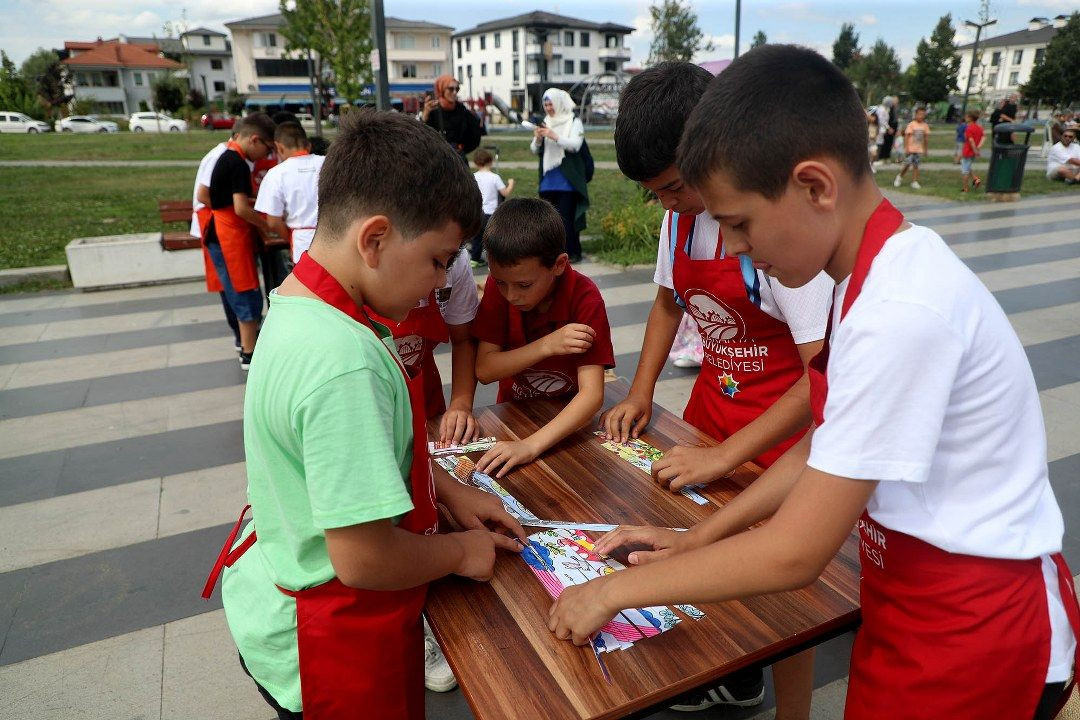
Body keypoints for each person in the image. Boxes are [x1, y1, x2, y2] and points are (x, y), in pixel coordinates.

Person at [548, 44, 1079, 720]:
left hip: (977, 629)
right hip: (910, 601)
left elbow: (795, 553)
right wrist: (693, 540)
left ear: (815, 186)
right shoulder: (861, 276)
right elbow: (822, 447)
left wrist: (611, 594)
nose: (735, 248)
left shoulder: (900, 311)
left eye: (739, 222)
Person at [205, 109, 526, 720]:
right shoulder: (343, 363)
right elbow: (365, 558)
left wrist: (449, 491)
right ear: (375, 239)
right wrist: (462, 553)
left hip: (280, 601)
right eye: (438, 260)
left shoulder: (301, 302)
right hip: (331, 649)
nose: (437, 285)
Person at [604, 60, 833, 717]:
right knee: (697, 544)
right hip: (713, 407)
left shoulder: (773, 231)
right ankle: (734, 671)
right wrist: (642, 391)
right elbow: (668, 305)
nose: (666, 204)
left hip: (781, 428)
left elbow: (823, 381)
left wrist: (728, 457)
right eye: (656, 194)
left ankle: (792, 707)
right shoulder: (679, 221)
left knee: (785, 587)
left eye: (674, 186)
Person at [470, 197, 614, 478]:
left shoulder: (584, 296)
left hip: (568, 424)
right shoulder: (499, 290)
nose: (511, 296)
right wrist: (547, 345)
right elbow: (485, 370)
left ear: (559, 264)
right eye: (500, 282)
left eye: (524, 285)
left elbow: (592, 394)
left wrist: (530, 447)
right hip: (514, 417)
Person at [205, 112, 276, 370]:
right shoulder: (236, 162)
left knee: (242, 289)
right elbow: (240, 208)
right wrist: (267, 225)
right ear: (254, 140)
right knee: (244, 291)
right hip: (228, 236)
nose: (265, 157)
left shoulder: (228, 156)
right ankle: (249, 352)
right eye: (266, 150)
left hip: (223, 233)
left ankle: (246, 347)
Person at [191, 132, 240, 352]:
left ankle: (243, 334)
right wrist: (230, 212)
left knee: (230, 282)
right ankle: (241, 335)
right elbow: (203, 195)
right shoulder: (222, 156)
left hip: (219, 224)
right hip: (215, 226)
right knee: (230, 283)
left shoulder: (227, 153)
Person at [254, 121, 325, 264]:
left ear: (279, 147)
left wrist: (290, 236)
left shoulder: (276, 174)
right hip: (335, 237)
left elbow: (273, 222)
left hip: (302, 241)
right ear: (308, 145)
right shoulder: (329, 163)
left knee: (308, 284)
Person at [531, 88, 588, 263]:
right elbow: (534, 150)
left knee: (567, 220)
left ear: (559, 103)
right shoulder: (546, 121)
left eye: (551, 104)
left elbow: (575, 145)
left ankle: (572, 252)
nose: (548, 108)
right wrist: (538, 139)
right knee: (549, 221)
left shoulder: (573, 121)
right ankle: (553, 255)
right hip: (548, 180)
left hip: (567, 180)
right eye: (545, 104)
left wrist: (554, 135)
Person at [470, 148, 515, 266]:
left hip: (478, 212)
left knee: (477, 237)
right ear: (491, 162)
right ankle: (494, 260)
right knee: (492, 237)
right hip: (491, 213)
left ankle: (474, 259)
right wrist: (511, 184)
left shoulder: (473, 177)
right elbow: (505, 193)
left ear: (475, 163)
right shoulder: (494, 177)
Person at [423, 74, 482, 162]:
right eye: (451, 89)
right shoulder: (433, 110)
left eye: (457, 89)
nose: (454, 92)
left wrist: (462, 148)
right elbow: (423, 137)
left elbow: (475, 133)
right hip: (439, 160)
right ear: (442, 89)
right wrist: (425, 116)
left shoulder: (461, 109)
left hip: (458, 159)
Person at [894, 105, 930, 190]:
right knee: (907, 164)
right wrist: (906, 148)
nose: (921, 116)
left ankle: (914, 181)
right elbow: (906, 136)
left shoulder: (925, 126)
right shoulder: (911, 125)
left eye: (923, 114)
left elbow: (926, 138)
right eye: (919, 114)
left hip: (918, 150)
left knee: (916, 166)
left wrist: (925, 149)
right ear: (916, 114)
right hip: (910, 149)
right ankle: (899, 177)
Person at [961, 109, 985, 194]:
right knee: (967, 166)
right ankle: (976, 179)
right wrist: (979, 147)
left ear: (970, 118)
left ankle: (965, 189)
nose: (965, 118)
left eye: (966, 116)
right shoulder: (979, 127)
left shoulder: (969, 128)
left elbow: (971, 141)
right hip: (973, 153)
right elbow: (983, 137)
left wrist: (976, 151)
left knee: (965, 171)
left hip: (968, 152)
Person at [872, 97, 893, 167]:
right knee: (877, 143)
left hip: (882, 129)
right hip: (880, 129)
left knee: (880, 143)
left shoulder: (885, 109)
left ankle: (877, 158)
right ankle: (875, 159)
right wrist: (888, 128)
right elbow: (882, 121)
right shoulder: (882, 110)